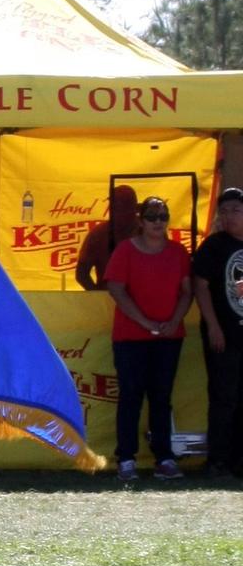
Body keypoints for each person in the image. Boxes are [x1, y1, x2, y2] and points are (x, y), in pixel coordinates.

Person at [104, 195, 193, 483]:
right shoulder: (125, 251)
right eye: (152, 217)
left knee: (161, 397)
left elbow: (187, 291)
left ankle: (164, 457)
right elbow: (116, 289)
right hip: (131, 336)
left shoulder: (179, 252)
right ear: (141, 221)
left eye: (163, 216)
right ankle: (126, 459)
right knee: (131, 396)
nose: (158, 222)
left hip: (169, 336)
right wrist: (147, 323)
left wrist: (174, 321)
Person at [189, 187, 243, 479]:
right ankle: (218, 461)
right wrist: (213, 326)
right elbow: (200, 286)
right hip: (224, 335)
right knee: (224, 398)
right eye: (224, 211)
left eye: (235, 210)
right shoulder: (213, 246)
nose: (229, 216)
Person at [75, 184, 140, 292]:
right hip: (109, 299)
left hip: (143, 300)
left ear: (134, 209)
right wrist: (99, 297)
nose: (117, 213)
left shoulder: (147, 232)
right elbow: (82, 273)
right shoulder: (99, 234)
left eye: (122, 208)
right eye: (114, 207)